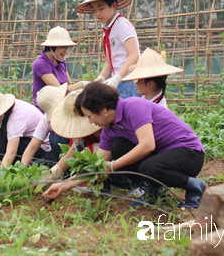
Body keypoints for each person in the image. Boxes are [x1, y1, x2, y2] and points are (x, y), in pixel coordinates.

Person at [43, 82, 207, 209]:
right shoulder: (109, 129)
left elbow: (147, 145)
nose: (90, 121)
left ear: (103, 109)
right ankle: (153, 190)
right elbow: (97, 166)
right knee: (119, 146)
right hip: (164, 156)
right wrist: (63, 185)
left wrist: (113, 165)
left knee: (148, 167)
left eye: (90, 116)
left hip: (189, 153)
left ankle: (194, 186)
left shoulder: (134, 106)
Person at [75, 0, 140, 98]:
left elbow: (134, 55)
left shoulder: (121, 25)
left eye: (101, 8)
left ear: (114, 6)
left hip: (129, 80)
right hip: (119, 81)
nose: (97, 13)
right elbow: (109, 62)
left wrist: (117, 77)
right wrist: (101, 78)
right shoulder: (107, 29)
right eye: (94, 10)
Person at [0, 89, 55, 168]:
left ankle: (21, 164)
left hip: (40, 146)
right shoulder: (9, 107)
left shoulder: (15, 120)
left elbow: (11, 152)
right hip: (27, 138)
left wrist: (0, 174)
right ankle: (14, 163)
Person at [37, 88, 101, 182]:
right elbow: (70, 155)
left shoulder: (104, 128)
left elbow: (104, 153)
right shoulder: (79, 133)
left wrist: (67, 183)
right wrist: (48, 177)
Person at [20, 84, 71, 167]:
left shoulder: (77, 110)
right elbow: (32, 146)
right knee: (39, 164)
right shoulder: (46, 121)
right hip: (60, 153)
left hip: (82, 149)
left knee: (57, 138)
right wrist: (21, 169)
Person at [32, 26, 75, 112]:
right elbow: (60, 91)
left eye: (67, 48)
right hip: (46, 112)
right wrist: (82, 85)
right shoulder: (40, 64)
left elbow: (69, 85)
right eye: (63, 47)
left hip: (61, 106)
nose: (66, 51)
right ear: (52, 47)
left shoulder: (61, 62)